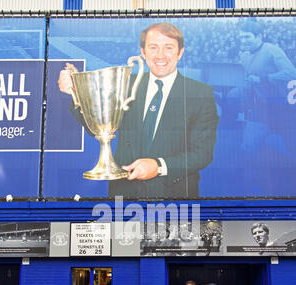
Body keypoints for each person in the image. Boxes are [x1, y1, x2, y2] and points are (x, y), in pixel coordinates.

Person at [58, 22, 219, 199]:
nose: (160, 55)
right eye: (153, 47)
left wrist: (159, 166)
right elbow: (98, 127)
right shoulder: (124, 83)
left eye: (168, 48)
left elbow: (202, 153)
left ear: (180, 52)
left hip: (176, 201)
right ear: (143, 52)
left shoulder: (200, 93)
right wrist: (75, 94)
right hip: (124, 198)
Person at [226, 19, 296, 158]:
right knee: (248, 147)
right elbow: (249, 83)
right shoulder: (244, 56)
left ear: (259, 36)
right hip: (261, 109)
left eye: (247, 36)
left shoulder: (271, 50)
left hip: (282, 106)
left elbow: (291, 73)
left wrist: (264, 79)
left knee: (291, 149)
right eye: (241, 37)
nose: (243, 40)